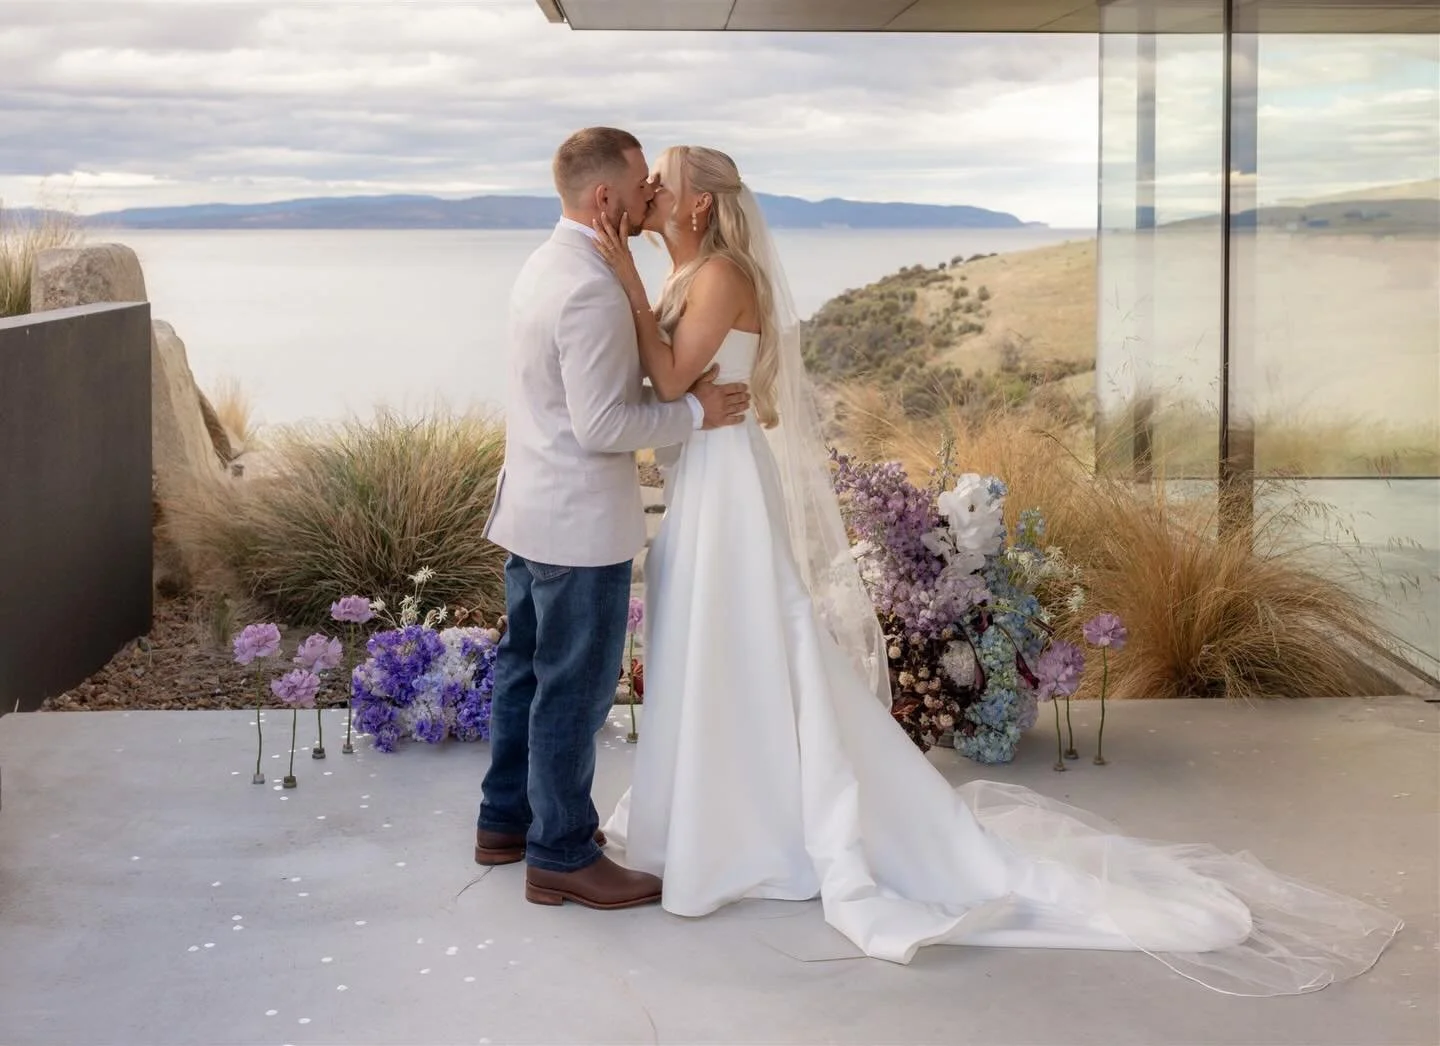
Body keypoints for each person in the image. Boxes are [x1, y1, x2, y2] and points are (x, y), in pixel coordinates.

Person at [590, 143, 1402, 993]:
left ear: (696, 207)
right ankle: (712, 811)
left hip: (727, 489)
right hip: (706, 478)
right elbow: (676, 383)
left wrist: (625, 281)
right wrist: (640, 294)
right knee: (711, 643)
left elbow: (674, 371)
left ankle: (744, 826)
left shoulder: (718, 276)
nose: (648, 190)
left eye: (662, 182)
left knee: (742, 641)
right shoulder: (689, 276)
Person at [477, 128, 750, 911]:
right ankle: (559, 853)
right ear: (606, 198)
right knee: (575, 688)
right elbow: (603, 427)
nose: (646, 198)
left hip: (532, 508)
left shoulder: (547, 262)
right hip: (575, 523)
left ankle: (506, 821)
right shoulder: (593, 286)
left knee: (526, 670)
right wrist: (697, 412)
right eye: (639, 185)